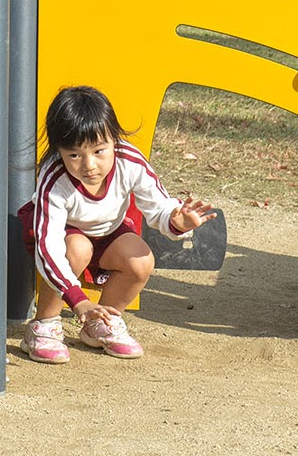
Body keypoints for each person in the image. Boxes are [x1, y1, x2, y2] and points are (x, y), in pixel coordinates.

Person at [19, 85, 215, 362]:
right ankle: (44, 326)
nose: (89, 165)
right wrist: (78, 299)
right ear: (59, 151)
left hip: (107, 231)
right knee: (77, 249)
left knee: (141, 260)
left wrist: (178, 221)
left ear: (114, 139)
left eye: (99, 150)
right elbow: (48, 246)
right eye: (74, 155)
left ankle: (101, 324)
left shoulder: (129, 161)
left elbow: (157, 205)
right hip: (64, 238)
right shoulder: (55, 179)